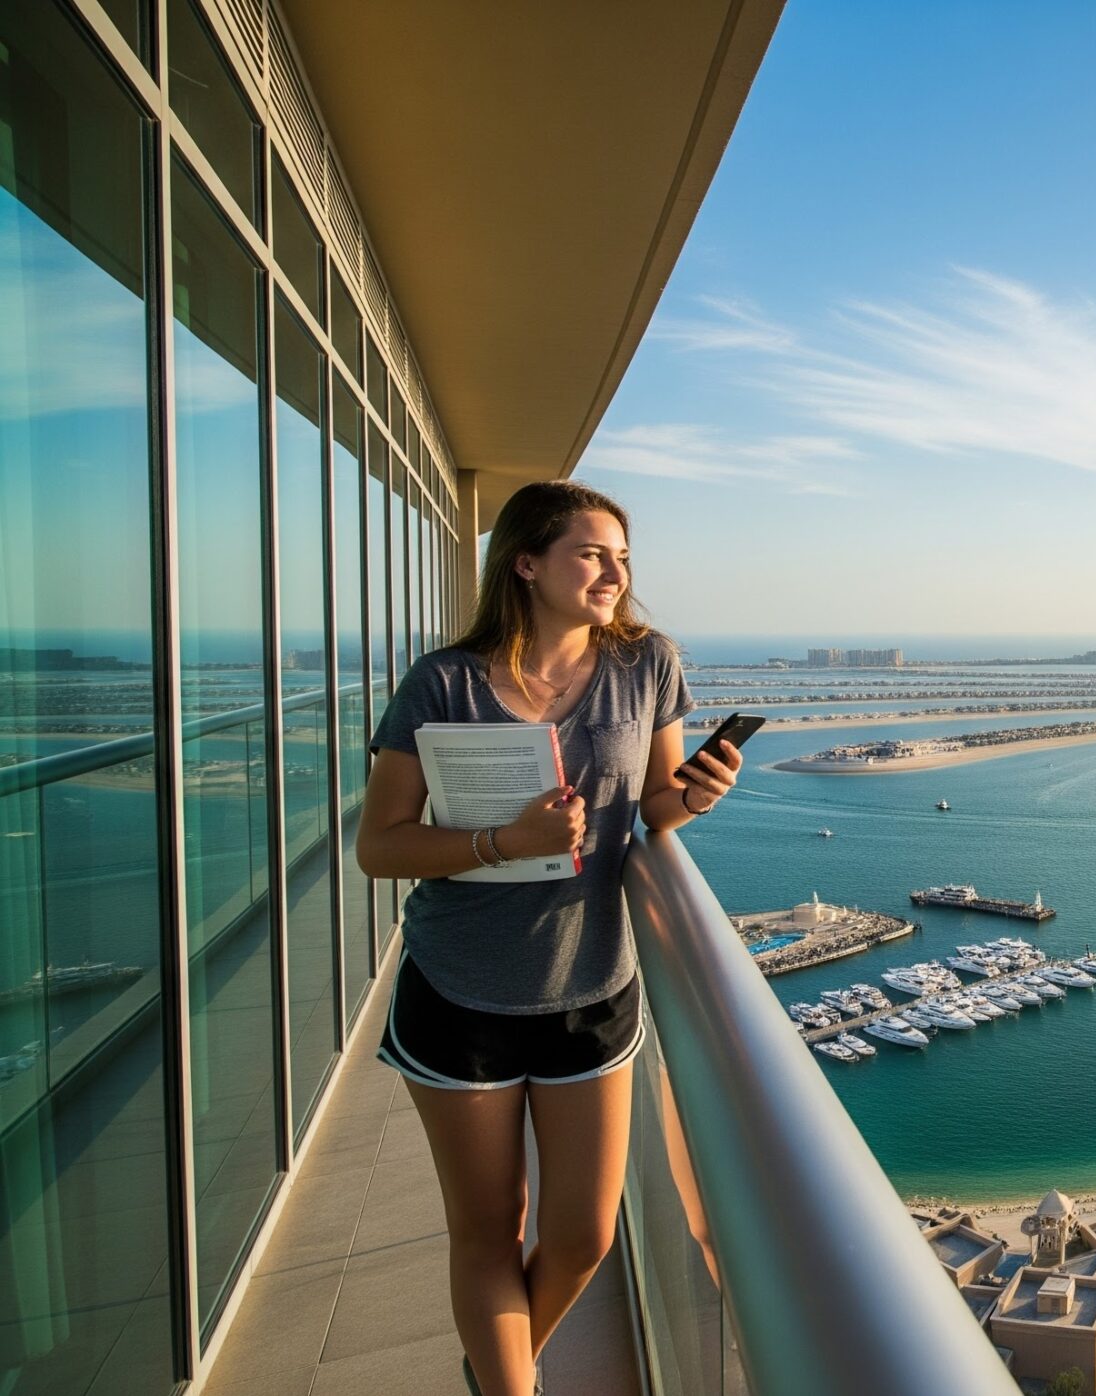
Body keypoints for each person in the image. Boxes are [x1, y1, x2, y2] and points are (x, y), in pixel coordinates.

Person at [357, 481, 738, 1396]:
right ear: (525, 562)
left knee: (583, 1236)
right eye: (592, 553)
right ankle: (509, 1380)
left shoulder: (647, 663)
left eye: (622, 557)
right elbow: (380, 847)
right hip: (459, 994)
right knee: (489, 1229)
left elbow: (655, 806)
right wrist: (504, 841)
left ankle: (499, 1357)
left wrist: (695, 796)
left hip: (591, 990)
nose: (615, 573)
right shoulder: (442, 683)